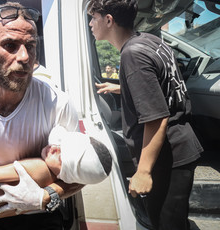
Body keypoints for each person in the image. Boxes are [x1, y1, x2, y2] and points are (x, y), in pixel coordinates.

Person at [0, 2, 84, 229]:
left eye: (30, 46)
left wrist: (46, 196)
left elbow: (81, 173)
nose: (24, 57)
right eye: (10, 45)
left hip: (42, 218)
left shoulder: (57, 103)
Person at [87, 1, 203, 229]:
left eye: (94, 17)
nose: (91, 23)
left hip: (168, 158)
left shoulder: (132, 54)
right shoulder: (149, 41)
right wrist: (124, 86)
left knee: (167, 224)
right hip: (181, 146)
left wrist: (143, 172)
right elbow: (160, 83)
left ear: (109, 20)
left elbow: (156, 119)